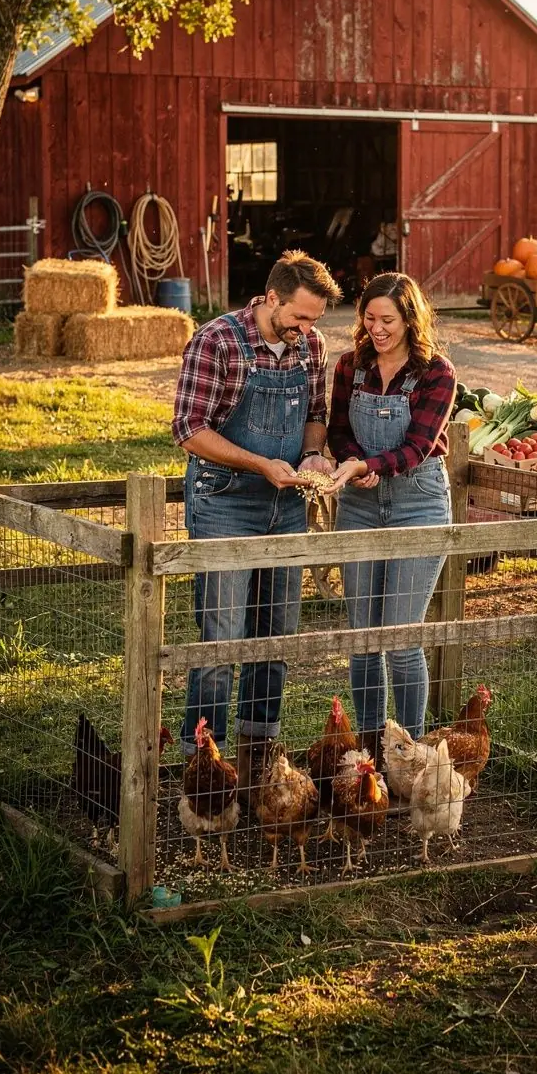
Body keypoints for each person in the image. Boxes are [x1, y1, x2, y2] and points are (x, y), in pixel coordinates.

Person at [172, 250, 342, 794]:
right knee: (222, 636)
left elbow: (315, 415)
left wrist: (313, 455)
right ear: (271, 298)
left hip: (286, 501)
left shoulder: (310, 346)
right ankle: (204, 768)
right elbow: (189, 430)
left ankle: (259, 760)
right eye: (298, 316)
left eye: (314, 320)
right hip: (225, 500)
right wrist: (259, 463)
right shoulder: (217, 341)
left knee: (276, 632)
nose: (306, 329)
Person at [328, 273, 456, 748]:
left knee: (401, 639)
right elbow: (338, 429)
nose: (377, 329)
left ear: (410, 319)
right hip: (359, 503)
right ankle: (368, 749)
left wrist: (372, 463)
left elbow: (419, 446)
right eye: (370, 318)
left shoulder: (436, 372)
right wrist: (350, 461)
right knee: (363, 640)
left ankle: (411, 750)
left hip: (417, 504)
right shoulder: (349, 367)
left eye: (388, 320)